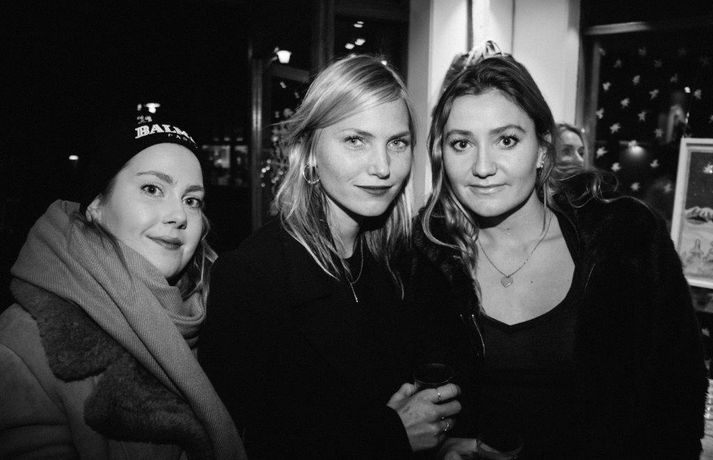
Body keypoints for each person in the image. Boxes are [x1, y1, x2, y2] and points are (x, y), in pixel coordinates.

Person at [408, 46, 707, 459]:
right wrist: (441, 446)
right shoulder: (421, 261)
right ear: (442, 154)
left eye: (506, 140)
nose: (483, 166)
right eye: (461, 143)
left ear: (543, 150)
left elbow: (677, 401)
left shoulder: (627, 240)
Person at [199, 54, 461, 459]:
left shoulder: (403, 265)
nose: (383, 167)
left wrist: (445, 445)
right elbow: (241, 443)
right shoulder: (251, 278)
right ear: (309, 151)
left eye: (397, 143)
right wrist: (387, 435)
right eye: (356, 140)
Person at [0, 119, 247, 459]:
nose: (179, 215)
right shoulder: (24, 346)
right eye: (152, 189)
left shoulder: (224, 320)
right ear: (97, 206)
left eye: (192, 200)